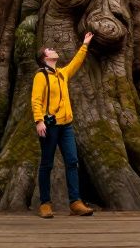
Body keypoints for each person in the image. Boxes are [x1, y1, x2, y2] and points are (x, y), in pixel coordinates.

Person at [31, 31, 95, 218]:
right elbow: (36, 100)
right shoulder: (41, 76)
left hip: (66, 125)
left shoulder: (61, 74)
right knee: (47, 164)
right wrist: (39, 121)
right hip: (49, 126)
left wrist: (85, 44)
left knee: (72, 162)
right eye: (49, 49)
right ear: (45, 58)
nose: (53, 49)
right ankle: (45, 204)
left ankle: (75, 202)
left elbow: (76, 62)